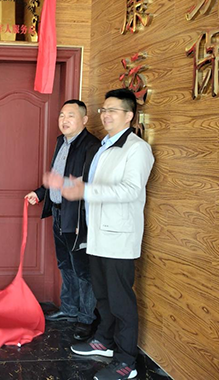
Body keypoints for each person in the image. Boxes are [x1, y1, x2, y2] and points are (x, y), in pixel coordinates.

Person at [55, 89, 154, 380]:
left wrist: (86, 190)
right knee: (103, 296)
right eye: (104, 110)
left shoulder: (136, 149)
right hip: (97, 234)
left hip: (119, 237)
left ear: (129, 115)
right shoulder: (104, 146)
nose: (106, 115)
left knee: (121, 301)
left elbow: (131, 190)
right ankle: (104, 341)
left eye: (113, 110)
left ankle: (126, 362)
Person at [26, 99, 100, 342]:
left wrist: (82, 221)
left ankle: (85, 318)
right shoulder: (61, 142)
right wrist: (40, 193)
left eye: (70, 115)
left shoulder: (91, 146)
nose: (64, 120)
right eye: (61, 115)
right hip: (58, 213)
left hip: (77, 217)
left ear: (84, 120)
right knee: (65, 264)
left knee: (83, 270)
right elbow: (56, 177)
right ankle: (69, 309)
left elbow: (90, 185)